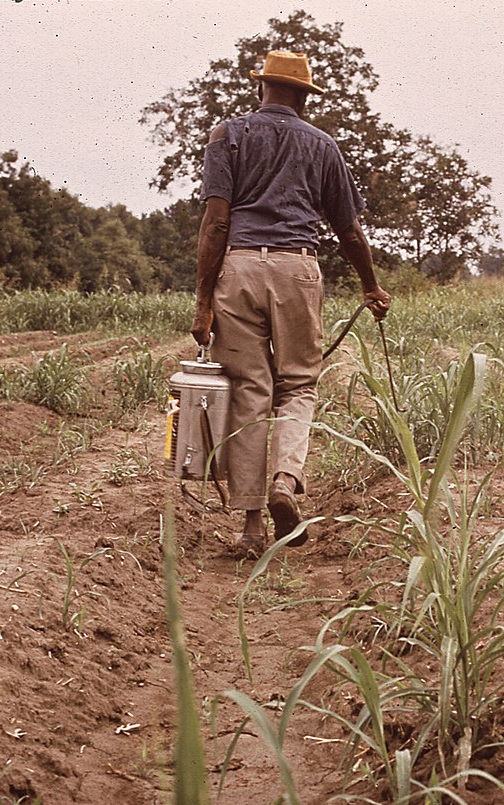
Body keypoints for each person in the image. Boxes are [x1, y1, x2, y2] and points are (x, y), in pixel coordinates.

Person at [190, 50, 392, 557]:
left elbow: (215, 221)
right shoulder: (323, 145)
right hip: (298, 268)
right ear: (304, 96)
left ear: (262, 88)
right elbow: (348, 229)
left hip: (237, 268)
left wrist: (203, 302)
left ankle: (253, 528)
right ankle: (285, 479)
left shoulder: (226, 135)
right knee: (298, 383)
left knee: (249, 392)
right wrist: (370, 286)